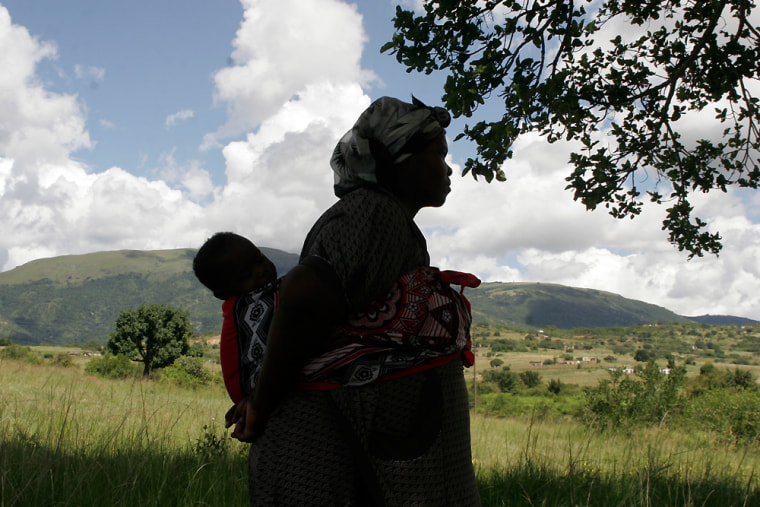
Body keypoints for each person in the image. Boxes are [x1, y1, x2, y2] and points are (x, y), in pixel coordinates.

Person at [230, 96, 482, 506]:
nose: (447, 167)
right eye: (438, 153)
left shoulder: (387, 219)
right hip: (319, 448)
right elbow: (304, 294)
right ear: (400, 160)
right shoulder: (373, 212)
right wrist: (262, 401)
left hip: (351, 442)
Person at [192, 232, 278, 418]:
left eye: (259, 258)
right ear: (224, 293)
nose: (261, 270)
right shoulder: (244, 308)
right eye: (246, 274)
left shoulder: (266, 294)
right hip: (254, 394)